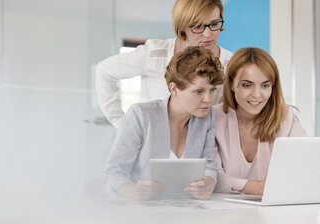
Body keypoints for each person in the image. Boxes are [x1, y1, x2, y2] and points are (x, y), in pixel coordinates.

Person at [103, 46, 224, 200]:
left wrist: (208, 182)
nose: (209, 99)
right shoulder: (141, 115)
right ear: (174, 89)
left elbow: (210, 166)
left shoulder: (208, 117)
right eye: (199, 91)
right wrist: (132, 191)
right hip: (141, 214)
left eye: (212, 90)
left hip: (186, 212)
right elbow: (113, 173)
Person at [96, 0, 232, 128]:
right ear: (182, 25)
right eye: (198, 26)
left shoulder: (230, 63)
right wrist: (122, 124)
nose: (208, 34)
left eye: (214, 24)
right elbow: (105, 71)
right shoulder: (155, 53)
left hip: (202, 148)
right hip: (154, 145)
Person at [214, 47, 307, 195]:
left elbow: (306, 168)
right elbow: (212, 178)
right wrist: (259, 188)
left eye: (265, 85)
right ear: (231, 84)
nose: (257, 95)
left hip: (275, 211)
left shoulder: (286, 118)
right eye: (247, 85)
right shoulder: (213, 118)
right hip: (223, 212)